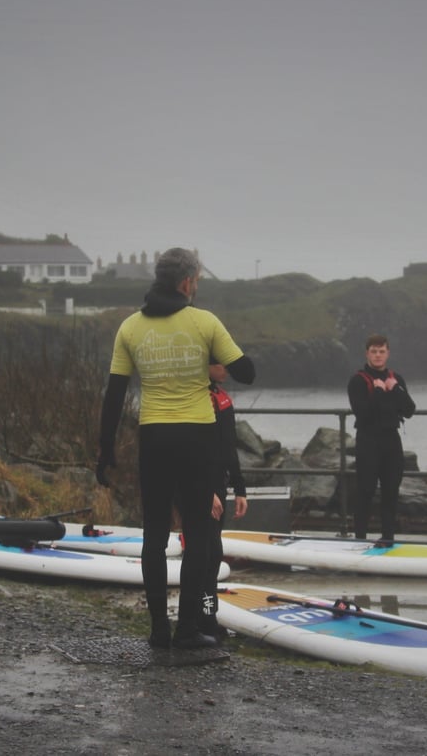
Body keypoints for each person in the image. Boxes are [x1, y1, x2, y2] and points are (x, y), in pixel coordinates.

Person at [96, 248, 255, 649]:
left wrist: (105, 449)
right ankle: (188, 629)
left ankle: (157, 631)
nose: (196, 286)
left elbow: (114, 395)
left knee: (154, 534)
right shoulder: (204, 322)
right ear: (186, 283)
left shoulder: (130, 328)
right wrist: (205, 355)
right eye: (197, 281)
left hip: (154, 438)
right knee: (199, 535)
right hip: (198, 439)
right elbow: (246, 372)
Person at [347, 333, 415, 541]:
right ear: (367, 353)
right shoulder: (358, 381)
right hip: (368, 440)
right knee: (366, 490)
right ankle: (360, 539)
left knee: (391, 491)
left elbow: (409, 409)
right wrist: (377, 393)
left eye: (382, 352)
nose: (378, 356)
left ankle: (388, 538)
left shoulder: (396, 379)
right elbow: (363, 413)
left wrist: (395, 391)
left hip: (391, 440)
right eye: (374, 352)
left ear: (388, 353)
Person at [199, 363, 247, 641]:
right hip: (201, 485)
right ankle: (200, 618)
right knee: (204, 552)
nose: (226, 369)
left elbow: (230, 446)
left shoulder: (222, 397)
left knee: (214, 553)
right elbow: (194, 449)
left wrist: (240, 487)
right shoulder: (197, 398)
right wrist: (205, 491)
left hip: (219, 483)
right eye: (219, 364)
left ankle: (209, 616)